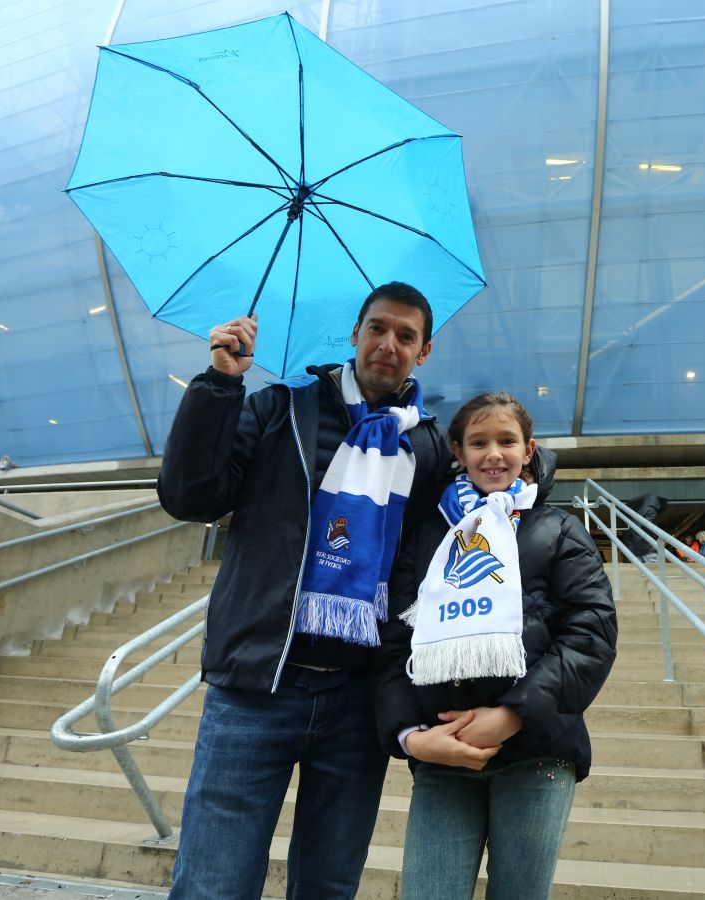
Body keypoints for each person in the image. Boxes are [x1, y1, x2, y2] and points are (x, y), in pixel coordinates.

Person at [156, 282, 452, 900]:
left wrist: (531, 470)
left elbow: (440, 549)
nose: (387, 344)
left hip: (356, 700)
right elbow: (191, 496)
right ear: (354, 334)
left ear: (423, 353)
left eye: (405, 336)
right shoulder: (280, 408)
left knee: (328, 886)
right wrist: (219, 385)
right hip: (257, 687)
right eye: (377, 328)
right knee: (213, 883)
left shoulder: (426, 445)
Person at [375, 392, 618, 900]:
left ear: (528, 450)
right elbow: (396, 643)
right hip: (446, 755)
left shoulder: (559, 528)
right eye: (478, 442)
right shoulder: (428, 537)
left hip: (538, 752)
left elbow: (591, 634)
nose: (493, 454)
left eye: (507, 441)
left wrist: (513, 714)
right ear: (457, 453)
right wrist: (410, 737)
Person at [622, 493, 668, 562]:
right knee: (656, 571)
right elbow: (647, 529)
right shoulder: (651, 511)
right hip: (647, 549)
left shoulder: (638, 512)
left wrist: (632, 548)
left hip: (637, 549)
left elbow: (632, 532)